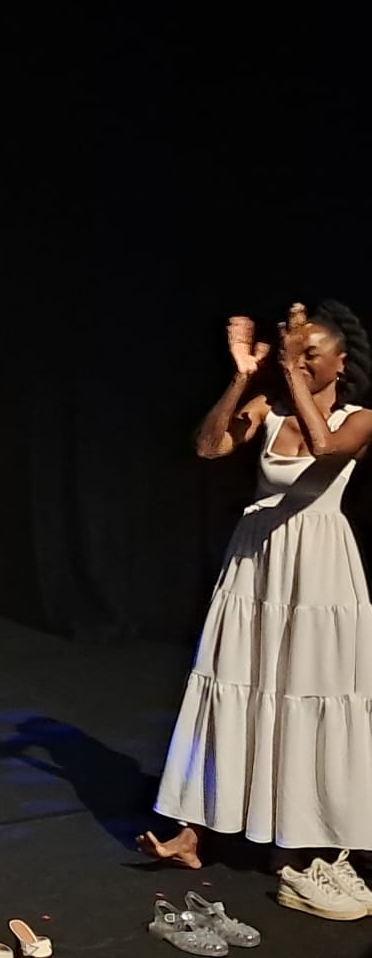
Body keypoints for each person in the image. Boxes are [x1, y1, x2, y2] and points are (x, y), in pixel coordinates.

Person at [138, 301, 372, 914]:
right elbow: (208, 446)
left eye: (312, 354)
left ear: (341, 363)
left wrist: (286, 367)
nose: (301, 361)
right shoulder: (268, 410)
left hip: (318, 570)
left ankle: (304, 836)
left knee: (305, 693)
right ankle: (197, 830)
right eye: (297, 353)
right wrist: (243, 378)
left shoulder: (360, 419)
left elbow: (324, 449)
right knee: (238, 684)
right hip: (256, 563)